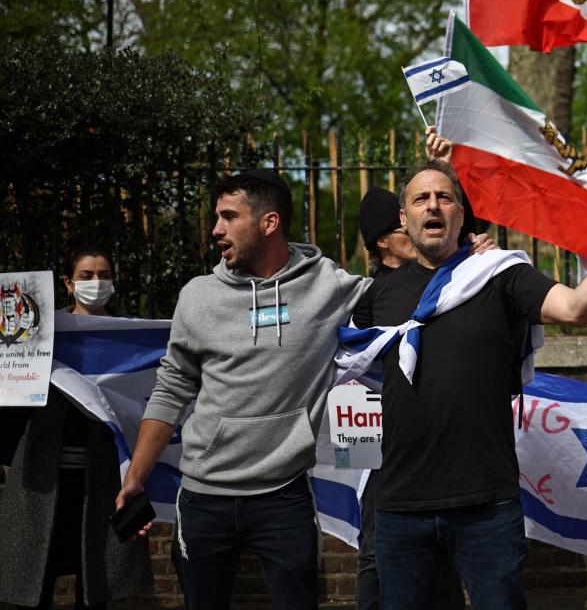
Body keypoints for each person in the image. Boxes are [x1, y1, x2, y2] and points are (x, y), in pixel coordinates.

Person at [350, 149, 587, 610]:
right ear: (404, 218)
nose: (433, 206)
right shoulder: (376, 296)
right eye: (421, 199)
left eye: (445, 197)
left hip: (486, 506)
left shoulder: (499, 274)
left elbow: (577, 309)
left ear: (461, 213)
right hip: (400, 508)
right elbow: (347, 371)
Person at [115, 168, 372, 610]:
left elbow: (408, 297)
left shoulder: (326, 283)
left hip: (285, 495)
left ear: (269, 223)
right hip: (204, 498)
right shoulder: (197, 295)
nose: (216, 229)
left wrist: (471, 254)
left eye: (229, 217)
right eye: (217, 217)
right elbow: (171, 389)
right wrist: (135, 478)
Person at [0, 247, 152, 609]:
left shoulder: (130, 339)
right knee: (34, 582)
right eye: (86, 275)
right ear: (68, 283)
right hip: (41, 480)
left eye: (104, 274)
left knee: (97, 586)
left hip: (103, 480)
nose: (96, 282)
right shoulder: (37, 334)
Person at [352, 181, 474, 610]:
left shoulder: (448, 281)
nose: (423, 226)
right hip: (386, 460)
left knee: (444, 563)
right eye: (406, 226)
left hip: (439, 455)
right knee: (374, 553)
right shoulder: (370, 299)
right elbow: (351, 372)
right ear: (385, 240)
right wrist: (360, 457)